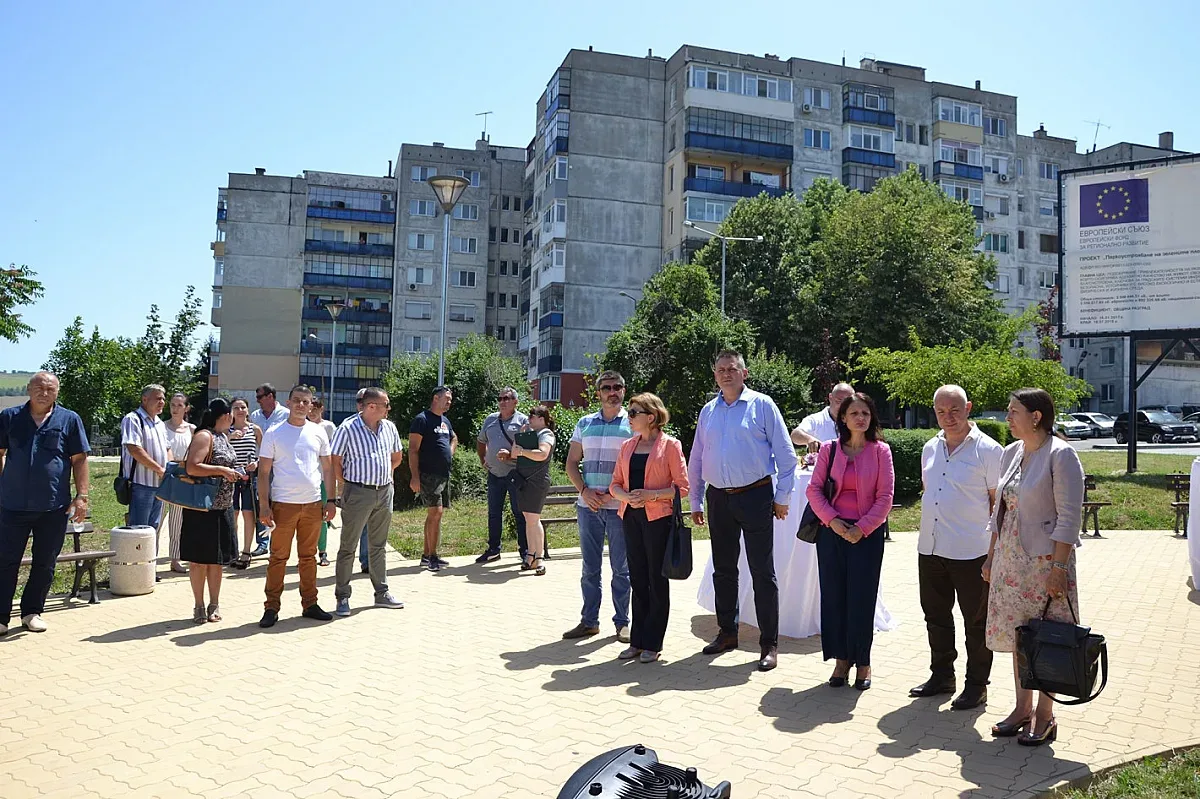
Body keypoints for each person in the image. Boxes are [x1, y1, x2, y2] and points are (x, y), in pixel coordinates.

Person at [984, 388, 1084, 747]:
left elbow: (1070, 518)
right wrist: (991, 556)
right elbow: (1000, 512)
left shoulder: (1061, 455)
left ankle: (1045, 713)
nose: (1008, 418)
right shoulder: (1011, 452)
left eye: (1013, 412)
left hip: (1044, 564)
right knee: (1020, 638)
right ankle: (1021, 707)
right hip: (1011, 564)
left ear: (1036, 416)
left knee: (1049, 637)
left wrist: (1059, 567)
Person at [690, 351, 797, 671]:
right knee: (723, 569)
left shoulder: (762, 405)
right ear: (714, 375)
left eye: (731, 369)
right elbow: (696, 457)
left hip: (755, 496)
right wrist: (695, 500)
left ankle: (769, 643)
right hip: (718, 498)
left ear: (744, 373)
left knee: (763, 572)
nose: (725, 374)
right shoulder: (708, 411)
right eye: (720, 369)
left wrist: (783, 498)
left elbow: (786, 456)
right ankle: (727, 633)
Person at [910, 385, 1002, 710]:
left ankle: (977, 685)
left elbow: (998, 506)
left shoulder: (989, 451)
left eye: (955, 410)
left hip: (972, 553)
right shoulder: (929, 448)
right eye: (941, 411)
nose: (948, 417)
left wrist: (993, 554)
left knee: (975, 623)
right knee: (935, 617)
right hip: (931, 549)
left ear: (969, 408)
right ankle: (941, 676)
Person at [807, 391, 894, 690]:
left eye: (865, 414)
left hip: (866, 536)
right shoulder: (829, 450)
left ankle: (863, 662)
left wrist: (862, 528)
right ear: (842, 417)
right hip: (832, 533)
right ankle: (840, 660)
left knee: (861, 599)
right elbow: (814, 490)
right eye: (854, 413)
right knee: (834, 597)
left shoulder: (881, 451)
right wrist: (833, 521)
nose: (860, 418)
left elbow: (885, 497)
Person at [0, 372, 90, 635]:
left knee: (45, 562)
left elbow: (79, 459)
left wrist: (81, 497)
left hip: (53, 507)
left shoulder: (69, 419)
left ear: (57, 392)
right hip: (11, 506)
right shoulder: (9, 418)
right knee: (5, 561)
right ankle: (2, 617)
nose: (44, 392)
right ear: (28, 389)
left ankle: (32, 612)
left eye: (50, 388)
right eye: (38, 387)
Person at [609, 392, 688, 663]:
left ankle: (653, 643)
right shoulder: (627, 446)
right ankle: (637, 642)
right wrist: (625, 496)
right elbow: (615, 484)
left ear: (651, 417)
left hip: (658, 520)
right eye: (629, 413)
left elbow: (682, 488)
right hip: (630, 517)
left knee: (656, 580)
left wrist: (650, 495)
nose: (628, 417)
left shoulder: (671, 446)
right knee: (637, 579)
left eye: (633, 413)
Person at [256, 385, 336, 627]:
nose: (301, 405)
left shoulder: (318, 432)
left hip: (312, 503)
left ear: (312, 405)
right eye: (297, 400)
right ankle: (271, 608)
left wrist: (331, 500)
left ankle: (310, 603)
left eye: (306, 401)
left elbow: (328, 468)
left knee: (308, 557)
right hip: (283, 504)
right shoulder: (274, 432)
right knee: (278, 558)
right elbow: (263, 472)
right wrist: (264, 506)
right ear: (288, 403)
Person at [563, 371, 633, 642]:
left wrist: (616, 493)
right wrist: (584, 490)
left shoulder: (633, 423)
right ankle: (589, 621)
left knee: (622, 569)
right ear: (598, 393)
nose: (612, 392)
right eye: (606, 388)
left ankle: (622, 622)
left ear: (624, 391)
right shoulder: (584, 423)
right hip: (588, 505)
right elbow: (571, 463)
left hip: (620, 506)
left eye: (617, 386)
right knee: (589, 568)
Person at [331, 387, 405, 615]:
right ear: (372, 406)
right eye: (386, 405)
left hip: (384, 492)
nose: (389, 409)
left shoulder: (389, 428)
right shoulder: (347, 428)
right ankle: (342, 596)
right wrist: (353, 484)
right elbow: (336, 462)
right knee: (348, 547)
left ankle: (381, 593)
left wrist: (380, 477)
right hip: (358, 493)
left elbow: (396, 458)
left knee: (378, 545)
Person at [180, 398, 247, 623]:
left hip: (223, 507)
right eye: (232, 413)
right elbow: (192, 466)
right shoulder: (204, 435)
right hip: (202, 508)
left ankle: (214, 604)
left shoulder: (223, 438)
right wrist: (221, 470)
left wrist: (235, 472)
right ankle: (198, 605)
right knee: (199, 561)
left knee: (216, 561)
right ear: (226, 415)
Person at [475, 387, 529, 565]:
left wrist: (511, 455)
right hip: (495, 474)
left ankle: (525, 551)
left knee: (519, 513)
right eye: (500, 398)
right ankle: (494, 550)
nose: (502, 402)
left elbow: (529, 450)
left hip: (515, 475)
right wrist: (483, 459)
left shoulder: (523, 421)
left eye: (507, 398)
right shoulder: (490, 420)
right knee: (494, 513)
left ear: (515, 401)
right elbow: (481, 441)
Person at [409, 386, 457, 572]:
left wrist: (449, 453)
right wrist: (415, 477)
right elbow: (413, 450)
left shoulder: (445, 421)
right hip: (428, 474)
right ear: (435, 398)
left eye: (450, 399)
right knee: (435, 512)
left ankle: (428, 555)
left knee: (437, 514)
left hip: (443, 475)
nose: (449, 402)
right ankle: (431, 556)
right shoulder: (422, 420)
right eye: (446, 398)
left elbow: (454, 438)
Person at [504, 405, 556, 576]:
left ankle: (539, 558)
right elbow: (513, 453)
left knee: (534, 518)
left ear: (542, 419)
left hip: (537, 481)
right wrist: (520, 435)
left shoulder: (546, 434)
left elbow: (542, 454)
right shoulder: (530, 434)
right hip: (524, 480)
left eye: (532, 416)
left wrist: (523, 451)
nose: (529, 419)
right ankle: (530, 556)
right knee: (528, 518)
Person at [121, 385, 170, 539]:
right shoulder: (133, 419)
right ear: (144, 399)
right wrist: (159, 470)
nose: (162, 402)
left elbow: (168, 449)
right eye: (158, 398)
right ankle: (138, 563)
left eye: (163, 398)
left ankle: (149, 563)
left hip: (160, 485)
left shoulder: (160, 423)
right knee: (139, 531)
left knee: (153, 530)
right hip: (141, 485)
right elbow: (134, 449)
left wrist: (171, 471)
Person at [248, 383, 289, 556]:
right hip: (260, 466)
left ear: (270, 396)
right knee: (261, 502)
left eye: (260, 397)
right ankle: (262, 542)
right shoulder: (255, 416)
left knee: (278, 503)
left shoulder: (286, 414)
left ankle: (276, 543)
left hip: (280, 465)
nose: (257, 401)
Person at [161, 393, 195, 575]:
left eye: (179, 405)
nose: (175, 408)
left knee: (177, 521)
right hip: (164, 476)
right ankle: (150, 559)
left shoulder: (192, 429)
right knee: (157, 520)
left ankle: (175, 558)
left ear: (186, 408)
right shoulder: (162, 426)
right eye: (172, 404)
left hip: (183, 478)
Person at [227, 398, 262, 569]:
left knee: (249, 514)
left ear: (248, 410)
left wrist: (256, 463)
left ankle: (246, 551)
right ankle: (232, 551)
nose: (240, 410)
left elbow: (265, 453)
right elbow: (217, 447)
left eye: (243, 407)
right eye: (236, 407)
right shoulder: (226, 430)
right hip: (231, 476)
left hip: (250, 477)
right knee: (232, 515)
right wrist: (229, 437)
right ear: (231, 411)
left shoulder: (255, 430)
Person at [309, 398, 338, 567]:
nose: (312, 412)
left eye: (316, 409)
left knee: (322, 516)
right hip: (306, 479)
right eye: (310, 408)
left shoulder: (328, 427)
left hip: (323, 477)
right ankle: (307, 552)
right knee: (306, 518)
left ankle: (323, 551)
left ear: (322, 409)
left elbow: (334, 453)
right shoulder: (301, 426)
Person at [791, 382, 856, 452]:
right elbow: (795, 435)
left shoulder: (857, 420)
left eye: (847, 403)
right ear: (830, 397)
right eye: (838, 401)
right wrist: (809, 439)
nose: (842, 406)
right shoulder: (815, 420)